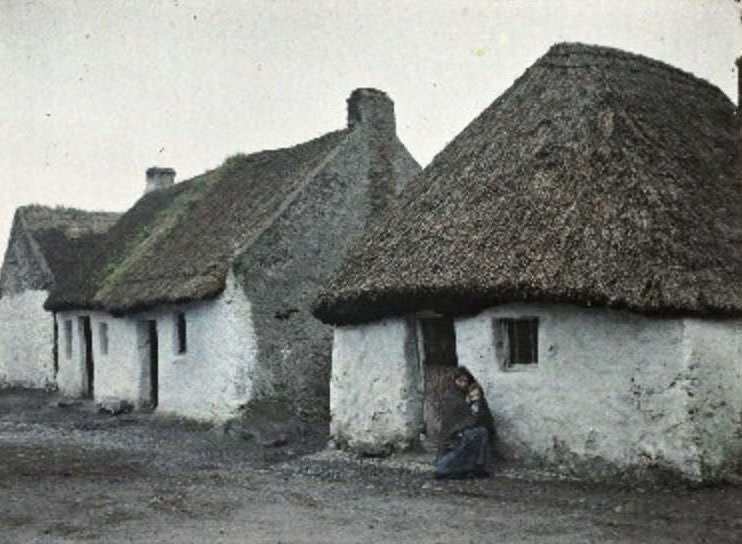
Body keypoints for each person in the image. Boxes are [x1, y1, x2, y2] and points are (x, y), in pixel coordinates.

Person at [433, 366, 495, 479]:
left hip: (469, 430)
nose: (463, 384)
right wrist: (461, 428)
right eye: (460, 381)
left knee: (481, 432)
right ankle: (447, 468)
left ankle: (476, 468)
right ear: (454, 381)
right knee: (470, 436)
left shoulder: (472, 393)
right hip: (454, 436)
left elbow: (482, 417)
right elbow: (451, 421)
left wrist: (477, 405)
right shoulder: (451, 396)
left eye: (465, 381)